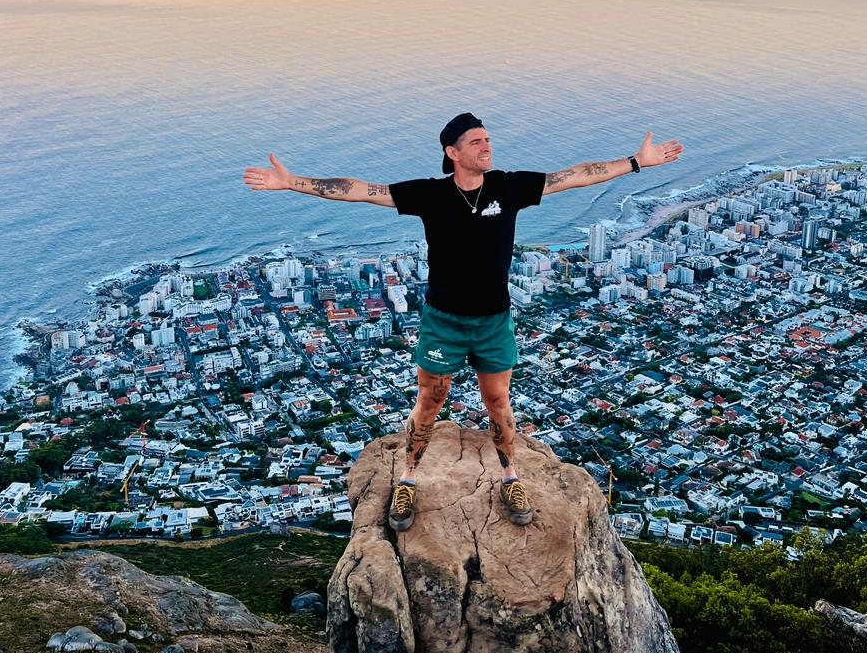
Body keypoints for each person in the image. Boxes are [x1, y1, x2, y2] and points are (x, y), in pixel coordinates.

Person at [243, 113, 683, 532]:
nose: (487, 146)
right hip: (444, 321)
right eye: (477, 142)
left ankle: (510, 477)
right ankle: (408, 480)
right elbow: (360, 190)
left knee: (498, 402)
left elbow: (573, 176)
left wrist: (635, 162)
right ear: (452, 152)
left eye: (488, 139)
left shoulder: (508, 187)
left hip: (493, 320)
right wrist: (291, 183)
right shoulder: (430, 195)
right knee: (431, 400)